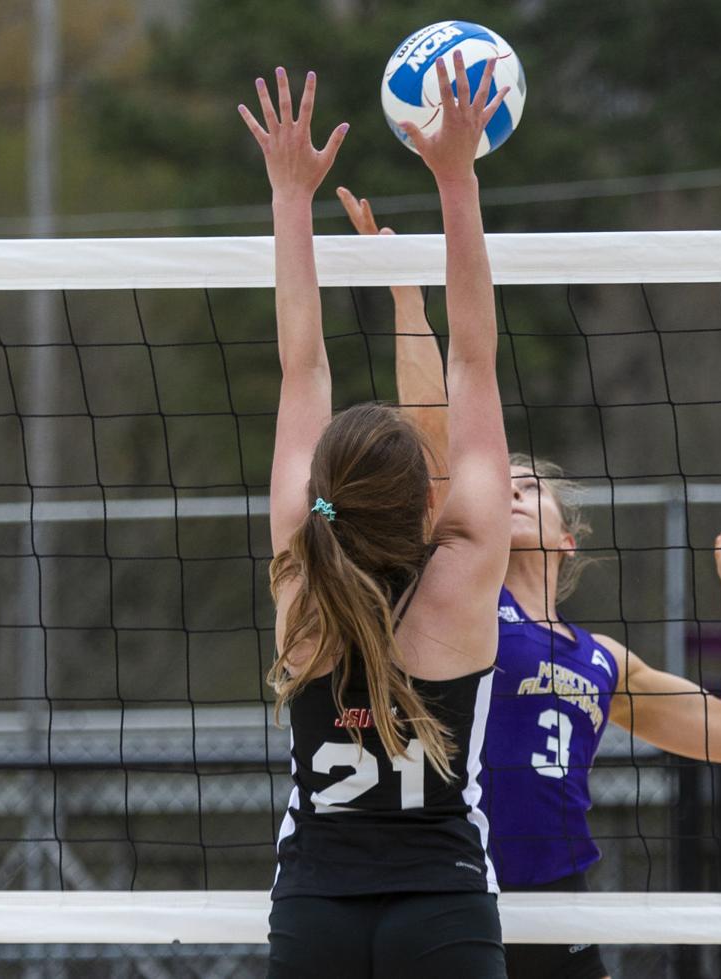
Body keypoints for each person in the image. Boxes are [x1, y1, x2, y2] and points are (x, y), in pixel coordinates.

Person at [336, 188, 721, 979]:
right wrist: (407, 291)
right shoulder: (457, 602)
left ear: (566, 536)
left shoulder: (600, 661)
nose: (507, 486)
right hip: (455, 890)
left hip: (561, 903)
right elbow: (432, 427)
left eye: (528, 485)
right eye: (498, 479)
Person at [240, 55, 512, 979]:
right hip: (440, 907)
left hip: (315, 909)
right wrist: (455, 177)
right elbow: (474, 363)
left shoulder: (300, 572)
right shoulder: (466, 573)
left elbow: (300, 367)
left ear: (326, 490)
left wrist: (289, 199)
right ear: (426, 496)